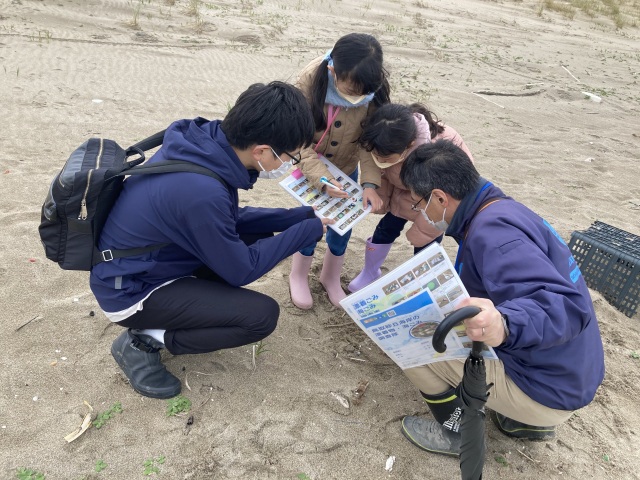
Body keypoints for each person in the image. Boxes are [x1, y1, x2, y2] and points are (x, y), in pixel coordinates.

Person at [90, 81, 333, 399]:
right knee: (260, 317)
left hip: (149, 260)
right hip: (130, 292)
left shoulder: (205, 142)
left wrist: (300, 217)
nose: (289, 165)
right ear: (260, 151)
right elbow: (241, 270)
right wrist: (308, 231)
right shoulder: (201, 192)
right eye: (289, 157)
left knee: (251, 235)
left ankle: (185, 309)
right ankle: (143, 340)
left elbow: (230, 218)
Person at [397, 140, 605, 455]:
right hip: (570, 372)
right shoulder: (501, 208)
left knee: (410, 342)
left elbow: (566, 307)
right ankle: (521, 421)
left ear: (440, 197)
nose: (419, 213)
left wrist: (506, 324)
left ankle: (459, 436)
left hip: (547, 389)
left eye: (419, 204)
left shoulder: (492, 234)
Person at [288, 33, 391, 309]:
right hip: (311, 167)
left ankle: (330, 276)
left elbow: (369, 142)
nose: (358, 97)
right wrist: (321, 177)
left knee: (343, 224)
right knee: (310, 221)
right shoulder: (310, 80)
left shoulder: (373, 89)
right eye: (350, 90)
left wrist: (370, 183)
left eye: (363, 93)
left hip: (346, 170)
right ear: (333, 69)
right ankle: (298, 274)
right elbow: (297, 140)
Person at [348, 102, 474, 292]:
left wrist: (423, 231)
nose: (380, 160)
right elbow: (385, 175)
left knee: (425, 244)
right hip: (403, 197)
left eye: (385, 158)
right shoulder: (386, 137)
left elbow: (449, 196)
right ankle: (370, 272)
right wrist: (379, 195)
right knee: (384, 230)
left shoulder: (442, 147)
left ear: (409, 146)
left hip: (433, 205)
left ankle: (424, 284)